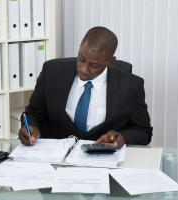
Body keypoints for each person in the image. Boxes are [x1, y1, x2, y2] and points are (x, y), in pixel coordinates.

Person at [18, 26, 153, 149]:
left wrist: (122, 137)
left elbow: (143, 132)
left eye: (94, 65)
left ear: (111, 62)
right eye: (81, 59)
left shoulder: (131, 86)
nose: (83, 69)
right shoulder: (52, 72)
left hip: (101, 160)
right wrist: (30, 127)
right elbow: (34, 113)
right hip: (54, 157)